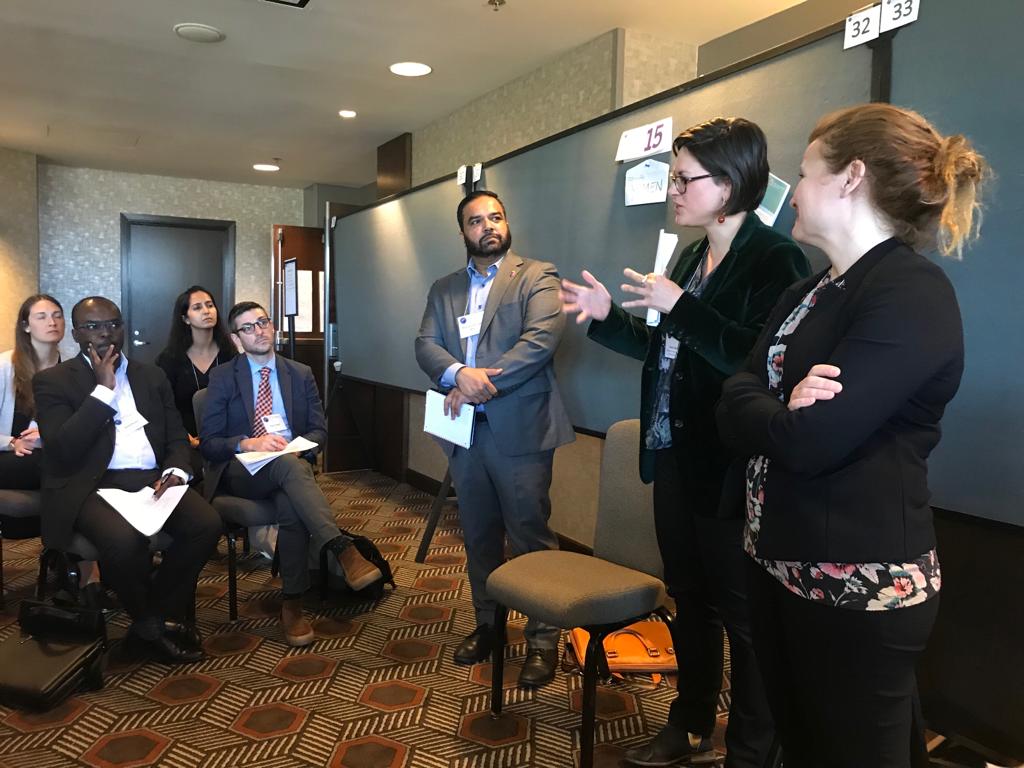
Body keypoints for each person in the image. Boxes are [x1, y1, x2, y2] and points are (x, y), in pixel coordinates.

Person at [715, 104, 986, 768]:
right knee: (805, 747)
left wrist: (768, 409)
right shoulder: (809, 291)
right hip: (777, 562)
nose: (792, 191)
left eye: (805, 173)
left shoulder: (910, 292)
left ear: (851, 176)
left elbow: (811, 441)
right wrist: (779, 406)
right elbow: (732, 395)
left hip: (858, 586)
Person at [561, 118, 810, 767]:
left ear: (728, 184)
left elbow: (756, 362)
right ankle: (691, 721)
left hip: (729, 468)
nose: (673, 190)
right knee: (690, 599)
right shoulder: (692, 257)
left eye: (683, 178)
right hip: (673, 454)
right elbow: (663, 348)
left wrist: (681, 307)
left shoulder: (775, 258)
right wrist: (606, 319)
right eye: (673, 177)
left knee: (743, 616)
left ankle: (752, 747)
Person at [415, 190, 574, 688]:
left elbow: (539, 342)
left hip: (521, 429)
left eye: (496, 217)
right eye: (476, 220)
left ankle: (542, 639)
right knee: (478, 534)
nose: (488, 226)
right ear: (463, 232)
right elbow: (426, 344)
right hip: (465, 432)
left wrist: (476, 382)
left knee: (529, 535)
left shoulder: (537, 275)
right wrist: (458, 374)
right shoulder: (444, 288)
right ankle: (489, 626)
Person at [33, 297, 222, 663]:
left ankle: (149, 622)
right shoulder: (53, 381)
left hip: (152, 479)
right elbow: (62, 450)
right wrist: (103, 390)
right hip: (92, 485)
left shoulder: (151, 375)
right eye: (93, 326)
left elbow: (175, 435)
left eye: (113, 324)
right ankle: (155, 625)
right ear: (76, 334)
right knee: (124, 542)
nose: (105, 333)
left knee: (206, 524)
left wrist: (176, 469)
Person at [199, 301, 383, 647]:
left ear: (272, 326)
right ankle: (341, 548)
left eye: (263, 322)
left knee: (290, 497)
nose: (259, 331)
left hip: (289, 464)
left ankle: (292, 602)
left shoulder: (299, 373)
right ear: (236, 339)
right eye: (248, 327)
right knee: (290, 470)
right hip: (243, 469)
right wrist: (248, 441)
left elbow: (318, 430)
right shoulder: (223, 377)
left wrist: (300, 448)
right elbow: (209, 443)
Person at [155, 286, 236, 466]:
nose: (206, 311)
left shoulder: (230, 354)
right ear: (185, 318)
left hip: (225, 438)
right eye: (197, 307)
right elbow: (163, 406)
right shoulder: (169, 359)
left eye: (210, 305)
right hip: (185, 440)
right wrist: (184, 436)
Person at [0, 294, 65, 489]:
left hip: (51, 452)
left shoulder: (71, 369)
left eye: (57, 315)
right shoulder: (4, 366)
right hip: (10, 453)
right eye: (41, 317)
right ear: (26, 326)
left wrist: (46, 436)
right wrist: (12, 442)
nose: (52, 322)